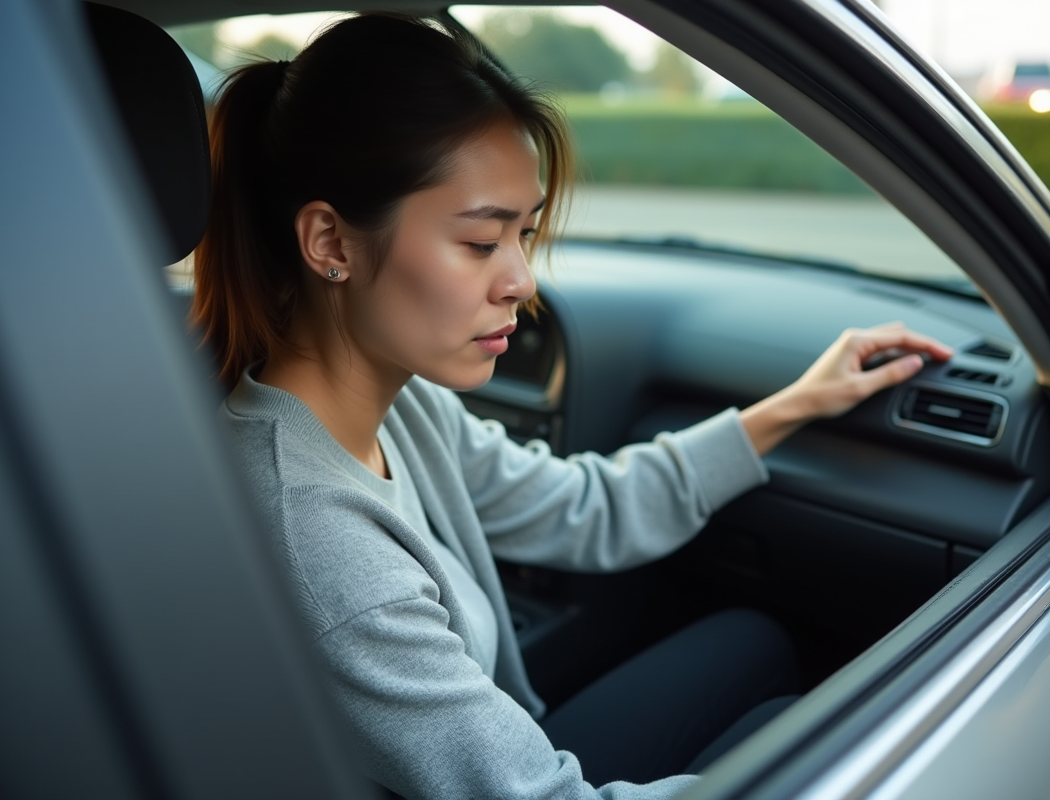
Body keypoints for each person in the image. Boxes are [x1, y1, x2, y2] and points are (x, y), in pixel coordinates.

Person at [195, 13, 953, 800]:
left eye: (524, 233)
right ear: (331, 243)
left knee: (756, 641)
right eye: (483, 242)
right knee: (819, 744)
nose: (522, 281)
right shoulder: (324, 547)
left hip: (515, 746)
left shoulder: (402, 406)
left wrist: (796, 404)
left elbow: (581, 507)